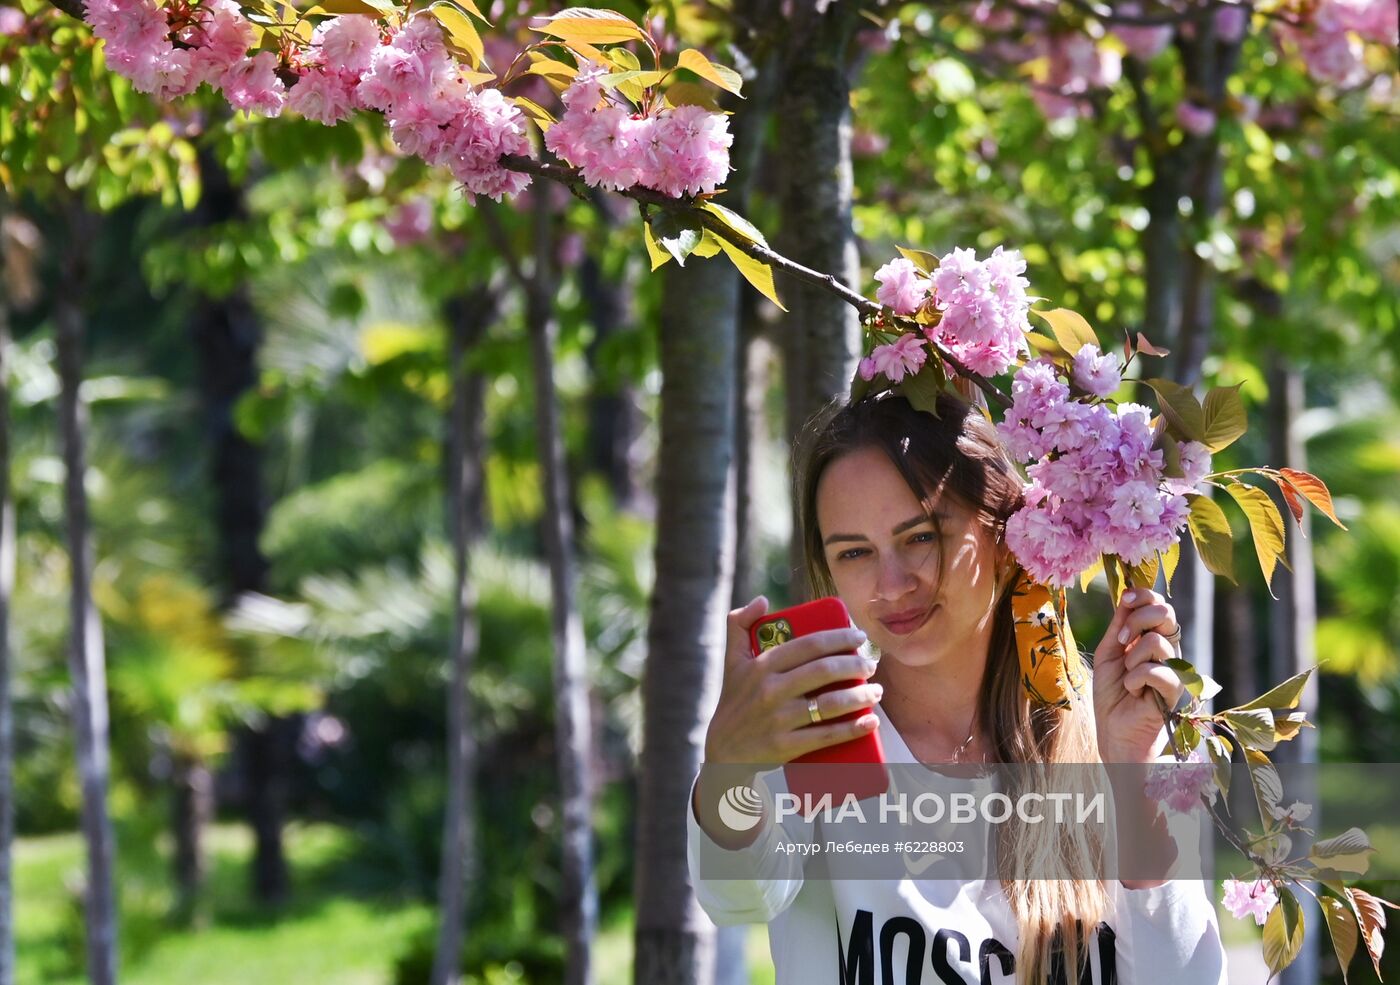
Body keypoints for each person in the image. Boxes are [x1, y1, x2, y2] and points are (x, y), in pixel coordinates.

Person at [687, 390, 1228, 984]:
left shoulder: (1127, 731)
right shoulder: (817, 737)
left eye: (920, 536)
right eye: (854, 552)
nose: (890, 585)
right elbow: (738, 897)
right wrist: (729, 770)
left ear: (1006, 535)